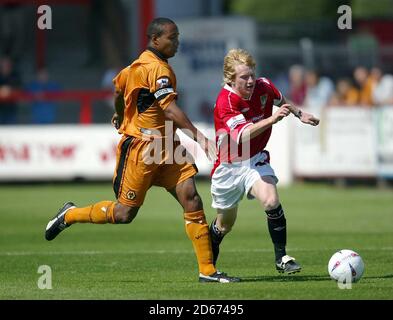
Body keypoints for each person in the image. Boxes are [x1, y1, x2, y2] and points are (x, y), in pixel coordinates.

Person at [45, 17, 239, 283]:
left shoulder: (132, 68)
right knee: (125, 214)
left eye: (178, 37)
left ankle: (208, 271)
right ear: (155, 39)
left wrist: (120, 115)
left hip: (168, 144)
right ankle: (70, 214)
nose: (177, 43)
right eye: (172, 38)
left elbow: (117, 90)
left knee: (191, 198)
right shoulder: (157, 70)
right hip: (142, 147)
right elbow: (169, 108)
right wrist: (200, 138)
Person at [208, 49, 320, 274]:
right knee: (224, 225)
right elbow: (244, 134)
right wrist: (272, 119)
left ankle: (282, 258)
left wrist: (300, 114)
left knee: (270, 201)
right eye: (244, 77)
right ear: (231, 78)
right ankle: (208, 268)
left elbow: (281, 100)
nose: (250, 80)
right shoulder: (226, 101)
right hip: (229, 167)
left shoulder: (264, 85)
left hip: (255, 158)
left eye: (251, 75)